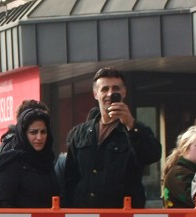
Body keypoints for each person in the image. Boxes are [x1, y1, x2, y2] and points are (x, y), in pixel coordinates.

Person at [62, 68, 161, 208]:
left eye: (115, 88)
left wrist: (130, 124)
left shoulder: (136, 130)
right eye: (104, 89)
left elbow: (152, 155)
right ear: (96, 94)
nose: (110, 93)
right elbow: (69, 178)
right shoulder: (80, 133)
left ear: (124, 92)